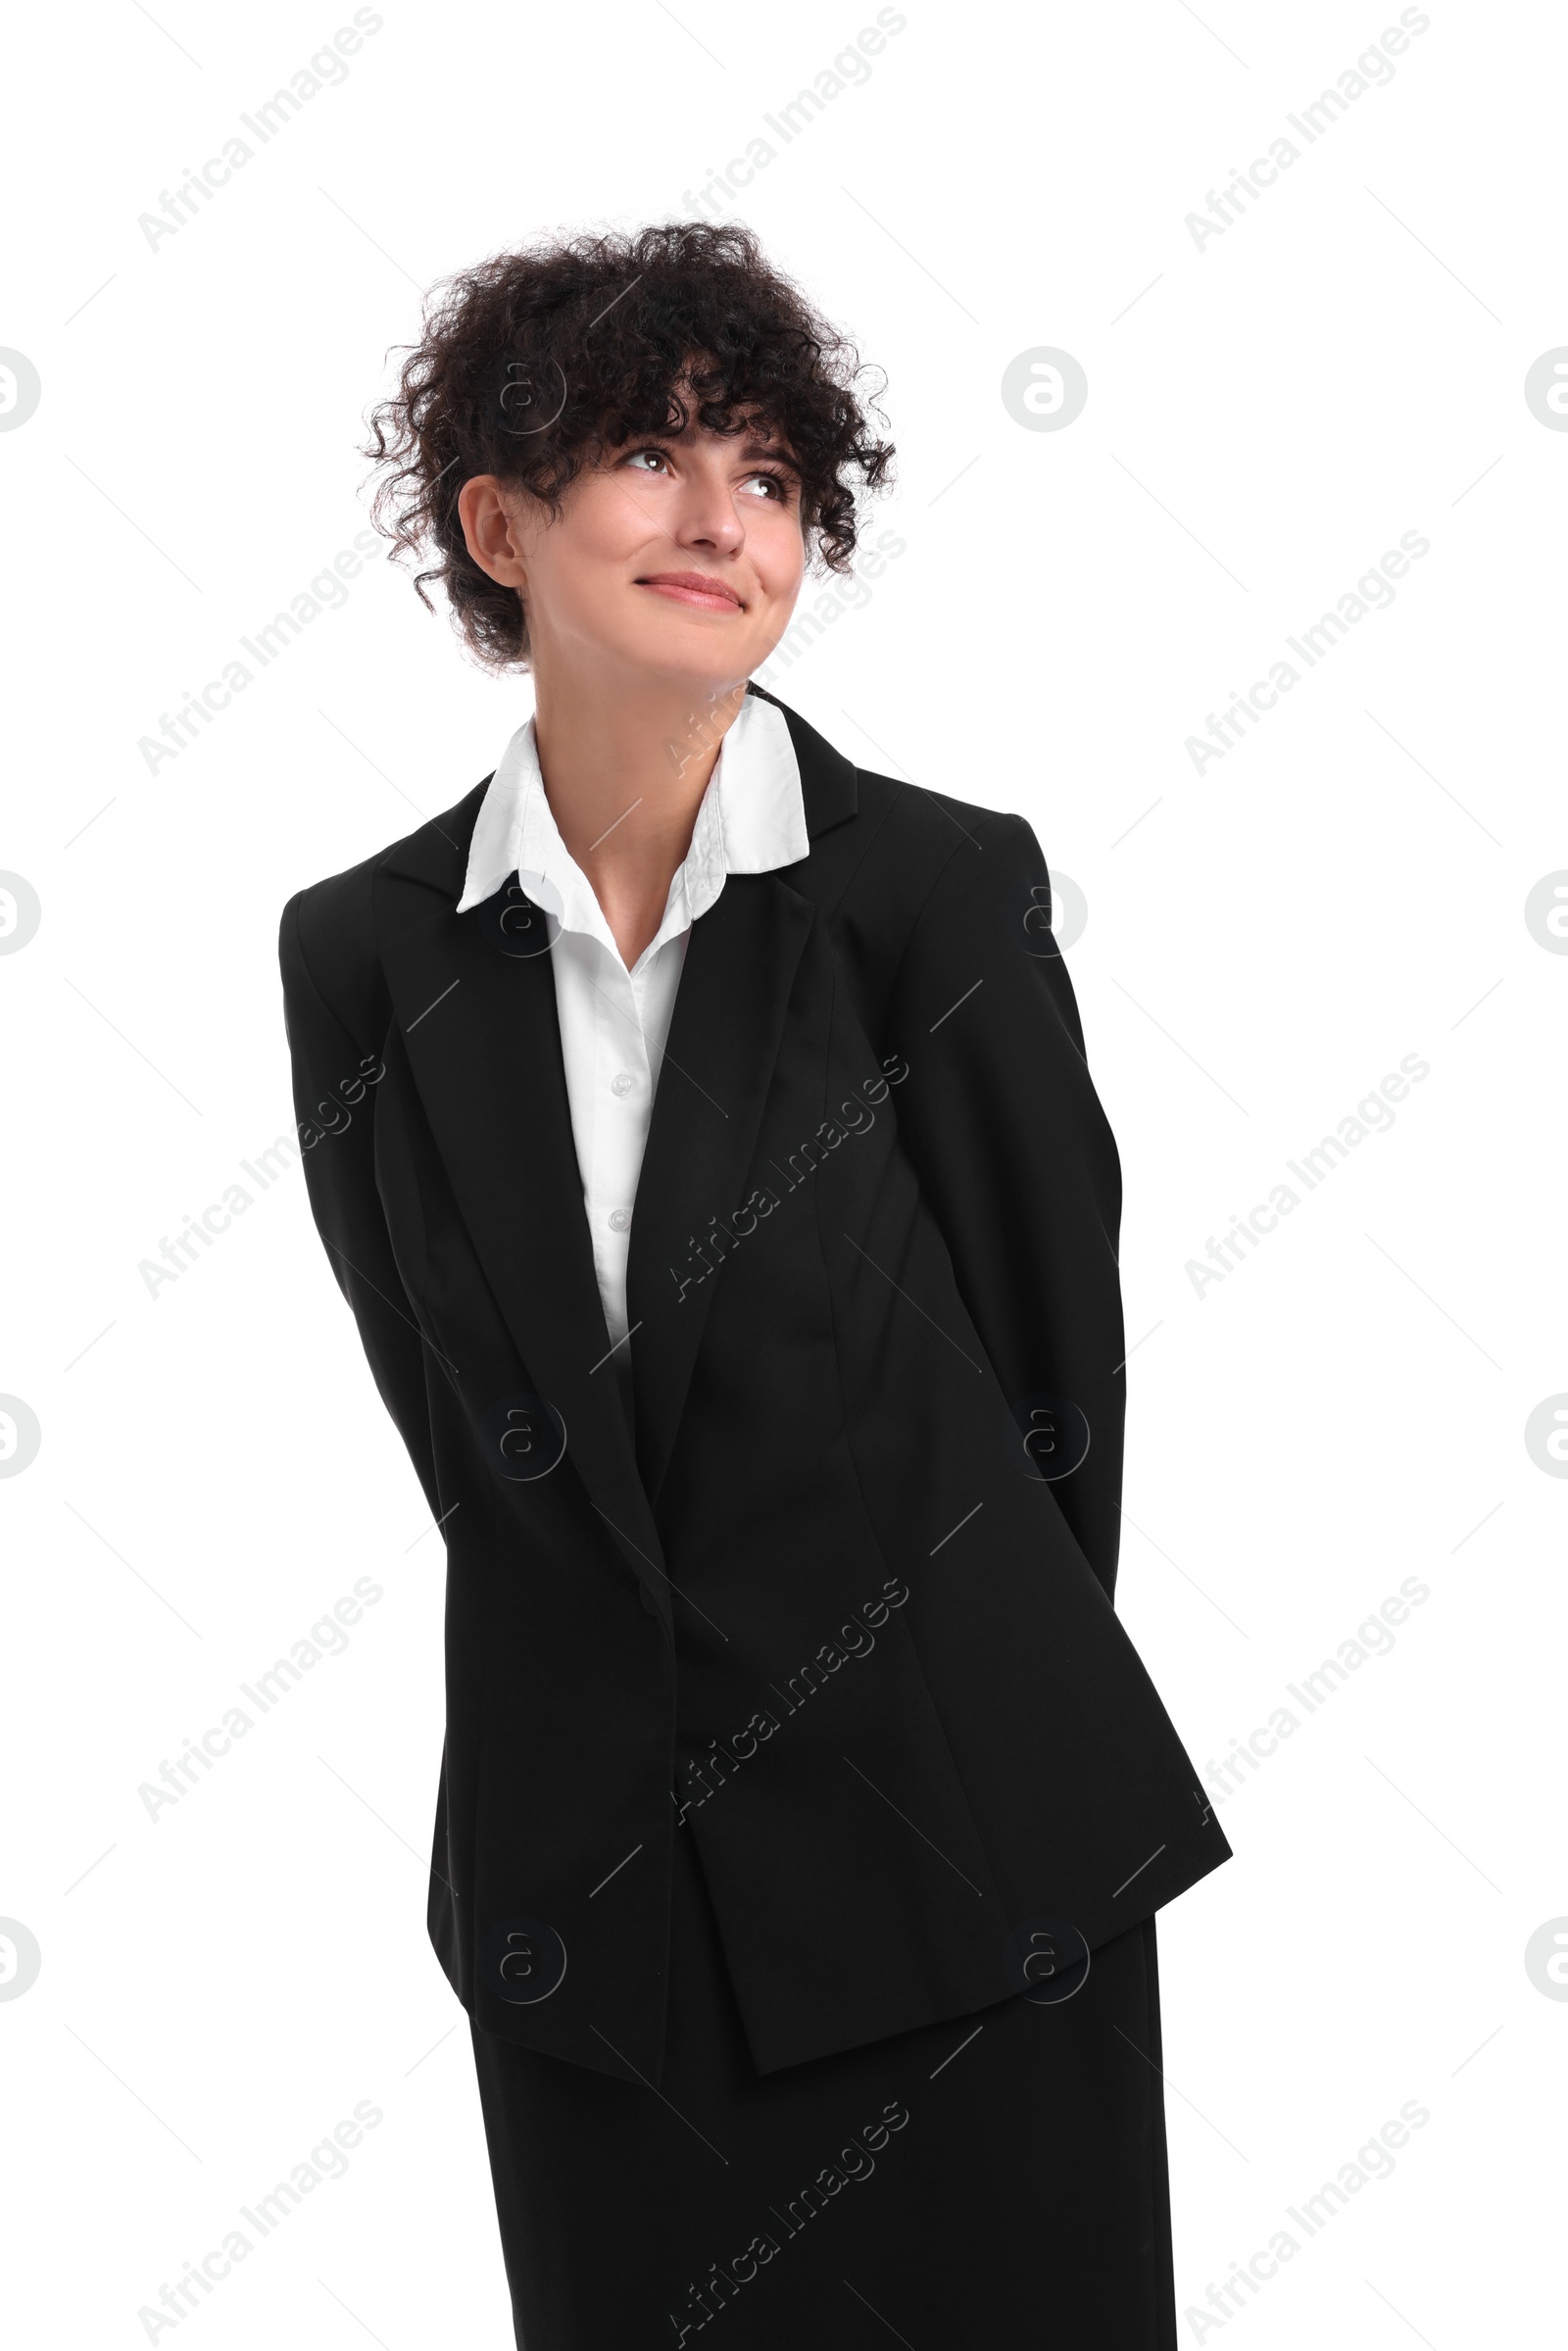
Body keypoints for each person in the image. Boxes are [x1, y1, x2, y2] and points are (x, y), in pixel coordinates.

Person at [278, 219, 1232, 2349]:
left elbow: (1050, 1394)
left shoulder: (930, 887)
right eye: (647, 453)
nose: (724, 519)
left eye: (775, 474)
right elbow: (481, 1453)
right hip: (592, 1923)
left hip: (966, 1870)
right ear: (496, 523)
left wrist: (952, 1722)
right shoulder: (360, 956)